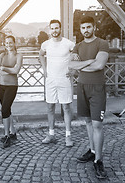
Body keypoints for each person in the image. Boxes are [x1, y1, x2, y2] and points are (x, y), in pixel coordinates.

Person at [69, 16, 109, 179]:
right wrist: (89, 61)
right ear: (81, 29)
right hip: (82, 87)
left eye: (88, 27)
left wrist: (82, 64)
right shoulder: (77, 46)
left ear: (94, 27)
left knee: (97, 124)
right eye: (83, 28)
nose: (86, 30)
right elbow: (71, 65)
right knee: (87, 121)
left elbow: (99, 65)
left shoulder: (102, 43)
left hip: (97, 88)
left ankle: (98, 161)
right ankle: (92, 151)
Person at [39, 19, 75, 147]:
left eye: (57, 28)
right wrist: (44, 69)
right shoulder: (46, 44)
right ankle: (51, 134)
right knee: (50, 107)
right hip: (51, 80)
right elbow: (41, 55)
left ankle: (68, 136)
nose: (55, 31)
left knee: (66, 107)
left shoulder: (68, 44)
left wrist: (72, 69)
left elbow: (76, 55)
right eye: (52, 28)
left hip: (64, 79)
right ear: (50, 30)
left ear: (60, 29)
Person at [0, 35, 23, 148]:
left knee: (4, 109)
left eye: (10, 43)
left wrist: (4, 69)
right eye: (6, 43)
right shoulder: (2, 55)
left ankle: (6, 136)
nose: (8, 45)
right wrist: (8, 71)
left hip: (12, 86)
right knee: (7, 109)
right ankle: (13, 133)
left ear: (14, 43)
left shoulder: (19, 56)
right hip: (0, 85)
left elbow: (16, 70)